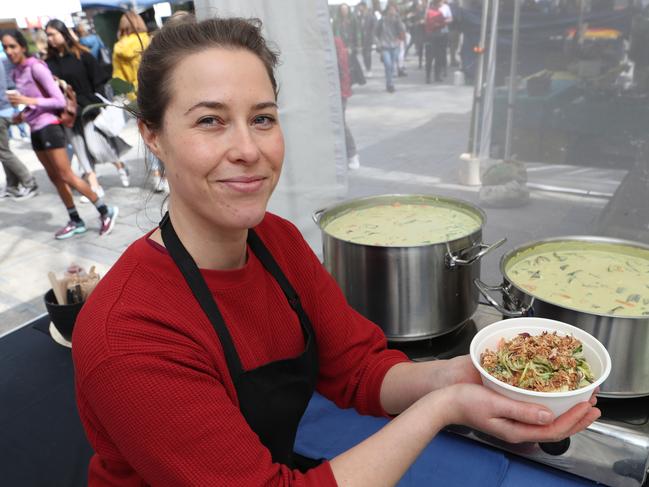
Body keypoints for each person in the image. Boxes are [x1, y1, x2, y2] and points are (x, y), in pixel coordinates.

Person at [72, 16, 600, 486]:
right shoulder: (129, 334)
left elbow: (359, 370)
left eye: (262, 118)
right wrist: (443, 407)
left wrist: (459, 374)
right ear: (153, 135)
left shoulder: (276, 240)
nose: (249, 149)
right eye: (210, 120)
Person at [1, 29, 118, 239]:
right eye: (5, 47)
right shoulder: (16, 72)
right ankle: (75, 219)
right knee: (55, 178)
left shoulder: (36, 67)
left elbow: (58, 101)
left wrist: (29, 102)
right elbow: (34, 103)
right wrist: (23, 115)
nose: (9, 51)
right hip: (35, 129)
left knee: (66, 175)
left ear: (23, 47)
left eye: (12, 46)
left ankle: (105, 210)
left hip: (50, 127)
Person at [45, 19, 131, 195]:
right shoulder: (49, 63)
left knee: (96, 147)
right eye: (48, 35)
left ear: (64, 33)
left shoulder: (82, 55)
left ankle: (119, 164)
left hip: (87, 109)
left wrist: (91, 103)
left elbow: (99, 82)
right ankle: (94, 185)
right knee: (79, 149)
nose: (50, 39)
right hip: (67, 113)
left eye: (53, 34)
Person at [0, 59, 38, 199]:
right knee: (4, 151)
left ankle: (29, 182)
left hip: (2, 112)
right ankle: (12, 185)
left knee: (3, 152)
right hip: (6, 110)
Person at [112, 10, 151, 99]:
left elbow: (118, 78)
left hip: (133, 96)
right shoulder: (148, 41)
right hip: (153, 88)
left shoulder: (119, 47)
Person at [335, 36, 360, 170]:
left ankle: (352, 154)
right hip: (338, 91)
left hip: (339, 92)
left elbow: (342, 70)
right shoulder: (337, 43)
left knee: (340, 123)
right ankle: (348, 155)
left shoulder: (335, 43)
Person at [375, 3, 406, 92]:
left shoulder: (398, 20)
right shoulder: (382, 20)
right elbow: (375, 33)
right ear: (387, 10)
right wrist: (378, 44)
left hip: (395, 46)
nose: (392, 11)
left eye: (394, 10)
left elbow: (402, 31)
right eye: (390, 9)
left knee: (391, 66)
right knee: (388, 64)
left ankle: (389, 83)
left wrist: (399, 40)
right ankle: (390, 84)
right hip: (384, 46)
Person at [356, 1, 376, 76]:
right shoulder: (359, 16)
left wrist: (373, 38)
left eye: (360, 6)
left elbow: (374, 27)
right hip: (362, 39)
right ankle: (367, 67)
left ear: (364, 7)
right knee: (364, 55)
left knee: (368, 54)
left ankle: (369, 69)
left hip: (368, 38)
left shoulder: (370, 16)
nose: (359, 8)